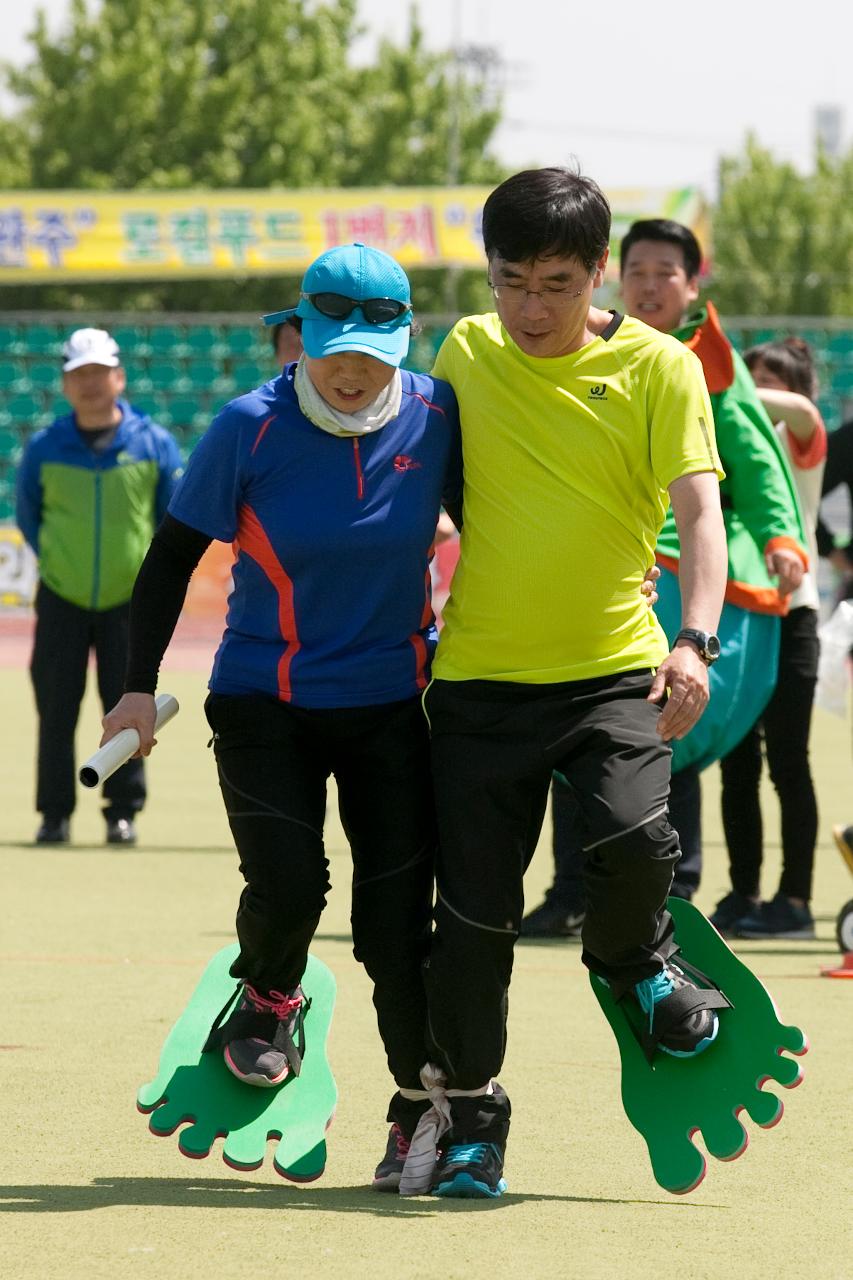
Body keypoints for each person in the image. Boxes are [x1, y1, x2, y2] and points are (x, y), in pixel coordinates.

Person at [100, 243, 466, 1192]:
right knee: (291, 883)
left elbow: (504, 523)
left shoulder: (437, 415)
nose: (350, 369)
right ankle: (266, 999)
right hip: (265, 700)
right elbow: (170, 559)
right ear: (300, 331)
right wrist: (137, 685)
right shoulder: (248, 427)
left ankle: (416, 1107)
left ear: (405, 338)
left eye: (372, 351)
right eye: (331, 344)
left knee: (395, 928)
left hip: (389, 703)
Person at [418, 168, 729, 1199]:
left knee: (638, 838)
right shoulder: (463, 350)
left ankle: (636, 962)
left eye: (555, 283)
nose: (530, 309)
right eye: (511, 281)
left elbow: (698, 510)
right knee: (470, 921)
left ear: (600, 274)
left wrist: (694, 639)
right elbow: (420, 481)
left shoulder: (660, 368)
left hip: (611, 671)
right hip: (476, 685)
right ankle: (470, 1117)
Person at [522, 218, 810, 936]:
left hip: (671, 571)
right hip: (590, 562)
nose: (649, 286)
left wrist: (780, 538)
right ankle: (569, 892)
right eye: (638, 271)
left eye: (665, 273)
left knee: (661, 726)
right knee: (569, 729)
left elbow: (750, 455)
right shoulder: (572, 343)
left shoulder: (706, 360)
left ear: (691, 284)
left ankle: (670, 891)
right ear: (615, 275)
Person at [15, 327, 184, 847]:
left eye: (98, 372)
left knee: (130, 707)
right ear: (65, 383)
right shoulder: (44, 448)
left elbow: (168, 521)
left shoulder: (153, 444)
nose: (88, 383)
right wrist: (63, 567)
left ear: (119, 376)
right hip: (62, 599)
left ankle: (122, 812)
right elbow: (30, 518)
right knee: (56, 708)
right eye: (77, 374)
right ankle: (54, 814)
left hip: (130, 603)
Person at [720, 339, 826, 938]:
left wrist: (729, 387)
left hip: (794, 617)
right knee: (738, 763)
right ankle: (744, 894)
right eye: (749, 379)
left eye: (772, 383)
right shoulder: (730, 450)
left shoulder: (801, 444)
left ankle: (797, 902)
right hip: (741, 612)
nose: (756, 394)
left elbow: (806, 418)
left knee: (788, 761)